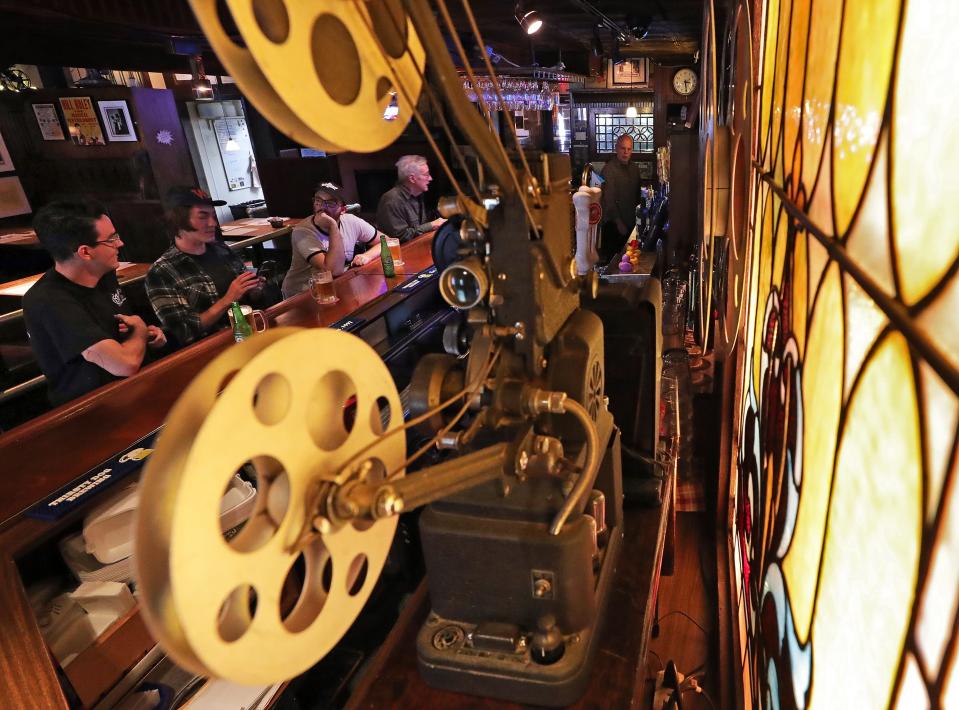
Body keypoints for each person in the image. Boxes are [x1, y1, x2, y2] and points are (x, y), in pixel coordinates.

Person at [23, 200, 167, 406]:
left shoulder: (104, 274)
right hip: (93, 410)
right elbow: (125, 364)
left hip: (136, 391)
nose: (120, 243)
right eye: (111, 240)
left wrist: (146, 335)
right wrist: (140, 332)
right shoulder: (48, 300)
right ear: (85, 252)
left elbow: (128, 333)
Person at [146, 187, 264, 347]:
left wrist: (253, 289)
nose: (213, 223)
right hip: (210, 350)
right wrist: (227, 299)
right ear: (179, 220)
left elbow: (247, 299)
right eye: (203, 217)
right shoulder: (161, 272)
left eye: (213, 216)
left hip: (246, 337)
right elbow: (184, 330)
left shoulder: (221, 249)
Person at [282, 182, 386, 298]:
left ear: (343, 209)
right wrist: (333, 226)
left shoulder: (351, 221)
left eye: (330, 203)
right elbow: (333, 271)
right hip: (302, 296)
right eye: (318, 201)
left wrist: (368, 256)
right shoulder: (303, 231)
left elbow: (386, 241)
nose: (322, 207)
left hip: (337, 287)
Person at [375, 155, 446, 242]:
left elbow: (418, 231)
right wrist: (431, 225)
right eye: (426, 174)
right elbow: (399, 238)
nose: (430, 178)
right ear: (412, 178)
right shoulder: (391, 200)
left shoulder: (418, 193)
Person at [599, 134, 642, 262]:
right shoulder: (609, 170)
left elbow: (637, 197)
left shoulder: (635, 169)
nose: (626, 152)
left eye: (629, 149)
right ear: (616, 148)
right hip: (614, 225)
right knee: (614, 262)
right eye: (623, 148)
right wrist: (618, 222)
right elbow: (609, 200)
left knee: (629, 261)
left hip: (631, 224)